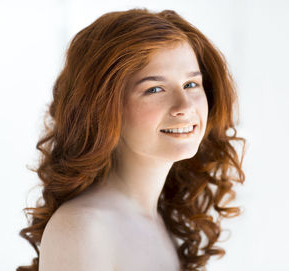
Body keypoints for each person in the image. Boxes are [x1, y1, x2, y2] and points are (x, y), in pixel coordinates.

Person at [17, 8, 246, 271]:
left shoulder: (165, 222)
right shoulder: (84, 228)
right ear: (103, 109)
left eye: (191, 84)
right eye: (155, 89)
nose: (184, 105)